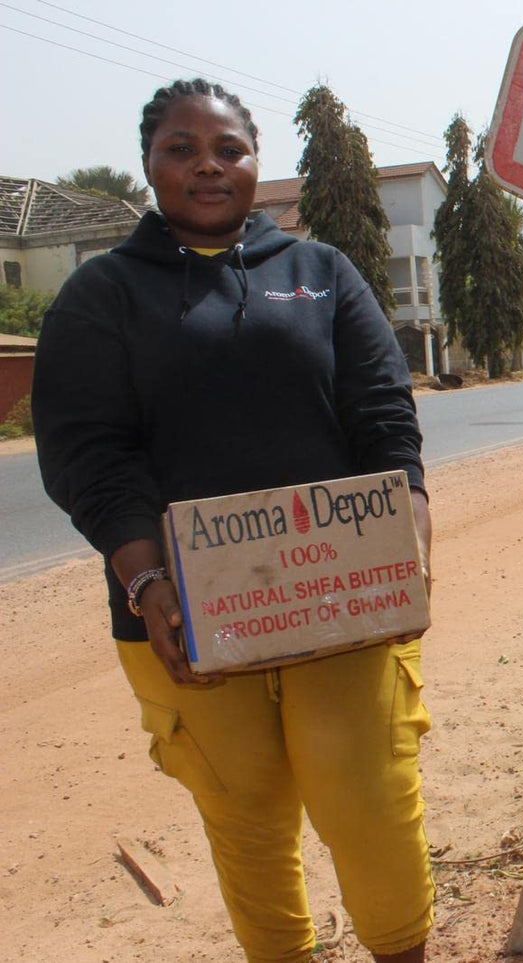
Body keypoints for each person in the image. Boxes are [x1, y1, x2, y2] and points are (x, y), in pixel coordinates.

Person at [33, 79, 435, 963]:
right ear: (149, 164)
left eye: (229, 149)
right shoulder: (101, 297)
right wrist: (146, 582)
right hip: (181, 616)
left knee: (368, 798)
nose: (208, 165)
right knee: (245, 815)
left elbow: (383, 419)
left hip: (340, 602)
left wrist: (406, 540)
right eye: (182, 148)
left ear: (257, 162)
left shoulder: (322, 274)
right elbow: (89, 457)